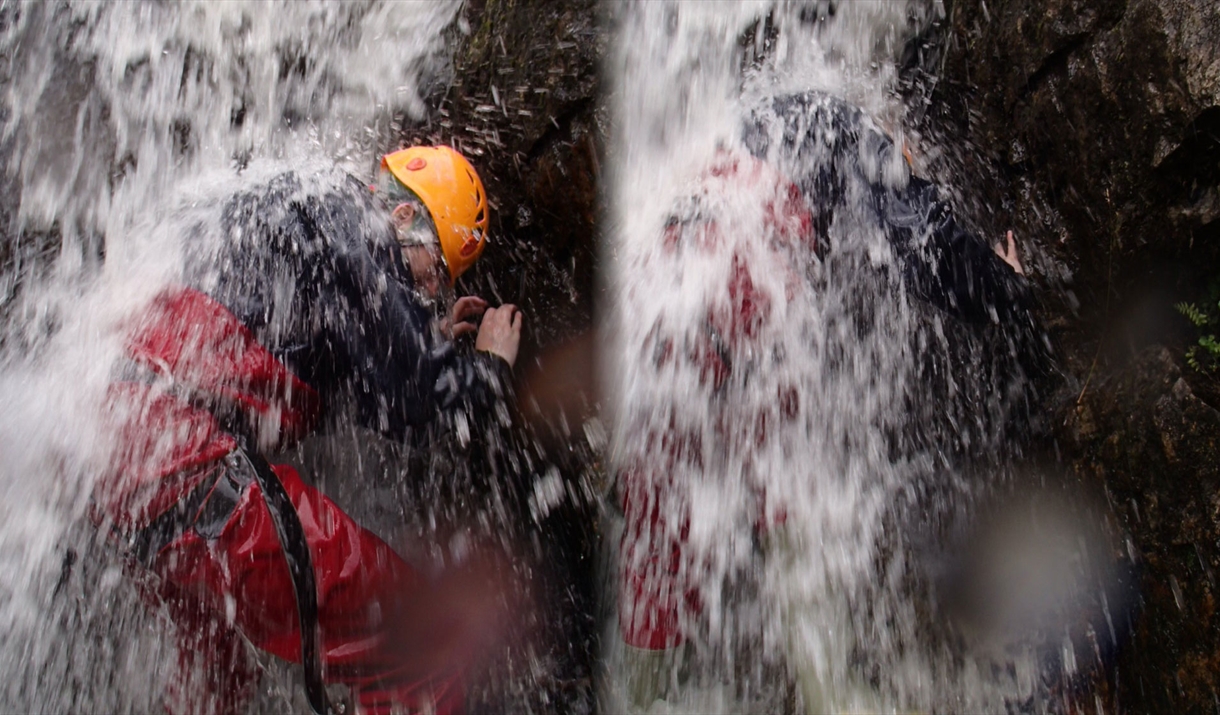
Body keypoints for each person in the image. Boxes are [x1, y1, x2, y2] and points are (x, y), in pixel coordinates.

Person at [615, 91, 1032, 706]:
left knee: (658, 547)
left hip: (658, 293)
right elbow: (919, 234)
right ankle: (829, 692)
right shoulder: (842, 120)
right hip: (748, 280)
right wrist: (1003, 285)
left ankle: (642, 695)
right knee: (792, 508)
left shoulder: (741, 122)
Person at [93, 145, 522, 715]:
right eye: (437, 268)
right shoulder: (347, 211)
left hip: (115, 458)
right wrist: (487, 369)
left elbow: (365, 384)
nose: (432, 289)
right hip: (188, 464)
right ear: (402, 217)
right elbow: (416, 398)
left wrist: (427, 331)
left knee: (216, 677)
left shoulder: (291, 211)